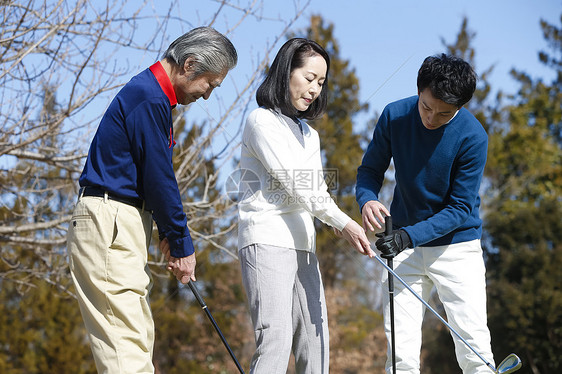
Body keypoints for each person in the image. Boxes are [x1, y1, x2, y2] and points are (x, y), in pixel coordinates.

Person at [66, 27, 237, 374]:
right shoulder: (149, 97)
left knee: (136, 341)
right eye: (210, 84)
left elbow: (145, 174)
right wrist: (180, 242)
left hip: (118, 221)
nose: (207, 95)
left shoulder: (151, 96)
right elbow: (160, 178)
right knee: (126, 353)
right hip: (110, 220)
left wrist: (164, 235)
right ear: (189, 65)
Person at [237, 38, 374, 374]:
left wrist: (339, 222)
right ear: (286, 72)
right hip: (267, 241)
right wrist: (342, 222)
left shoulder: (309, 135)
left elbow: (316, 191)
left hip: (304, 247)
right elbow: (296, 185)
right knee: (276, 342)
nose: (315, 89)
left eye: (322, 83)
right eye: (309, 77)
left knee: (317, 346)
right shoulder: (261, 121)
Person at [356, 53, 495, 374]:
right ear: (419, 92)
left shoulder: (473, 137)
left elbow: (460, 208)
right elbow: (369, 171)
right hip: (403, 249)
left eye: (444, 114)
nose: (431, 118)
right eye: (426, 107)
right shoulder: (395, 115)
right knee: (400, 355)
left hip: (456, 247)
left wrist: (407, 236)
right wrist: (366, 200)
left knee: (474, 346)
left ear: (460, 107)